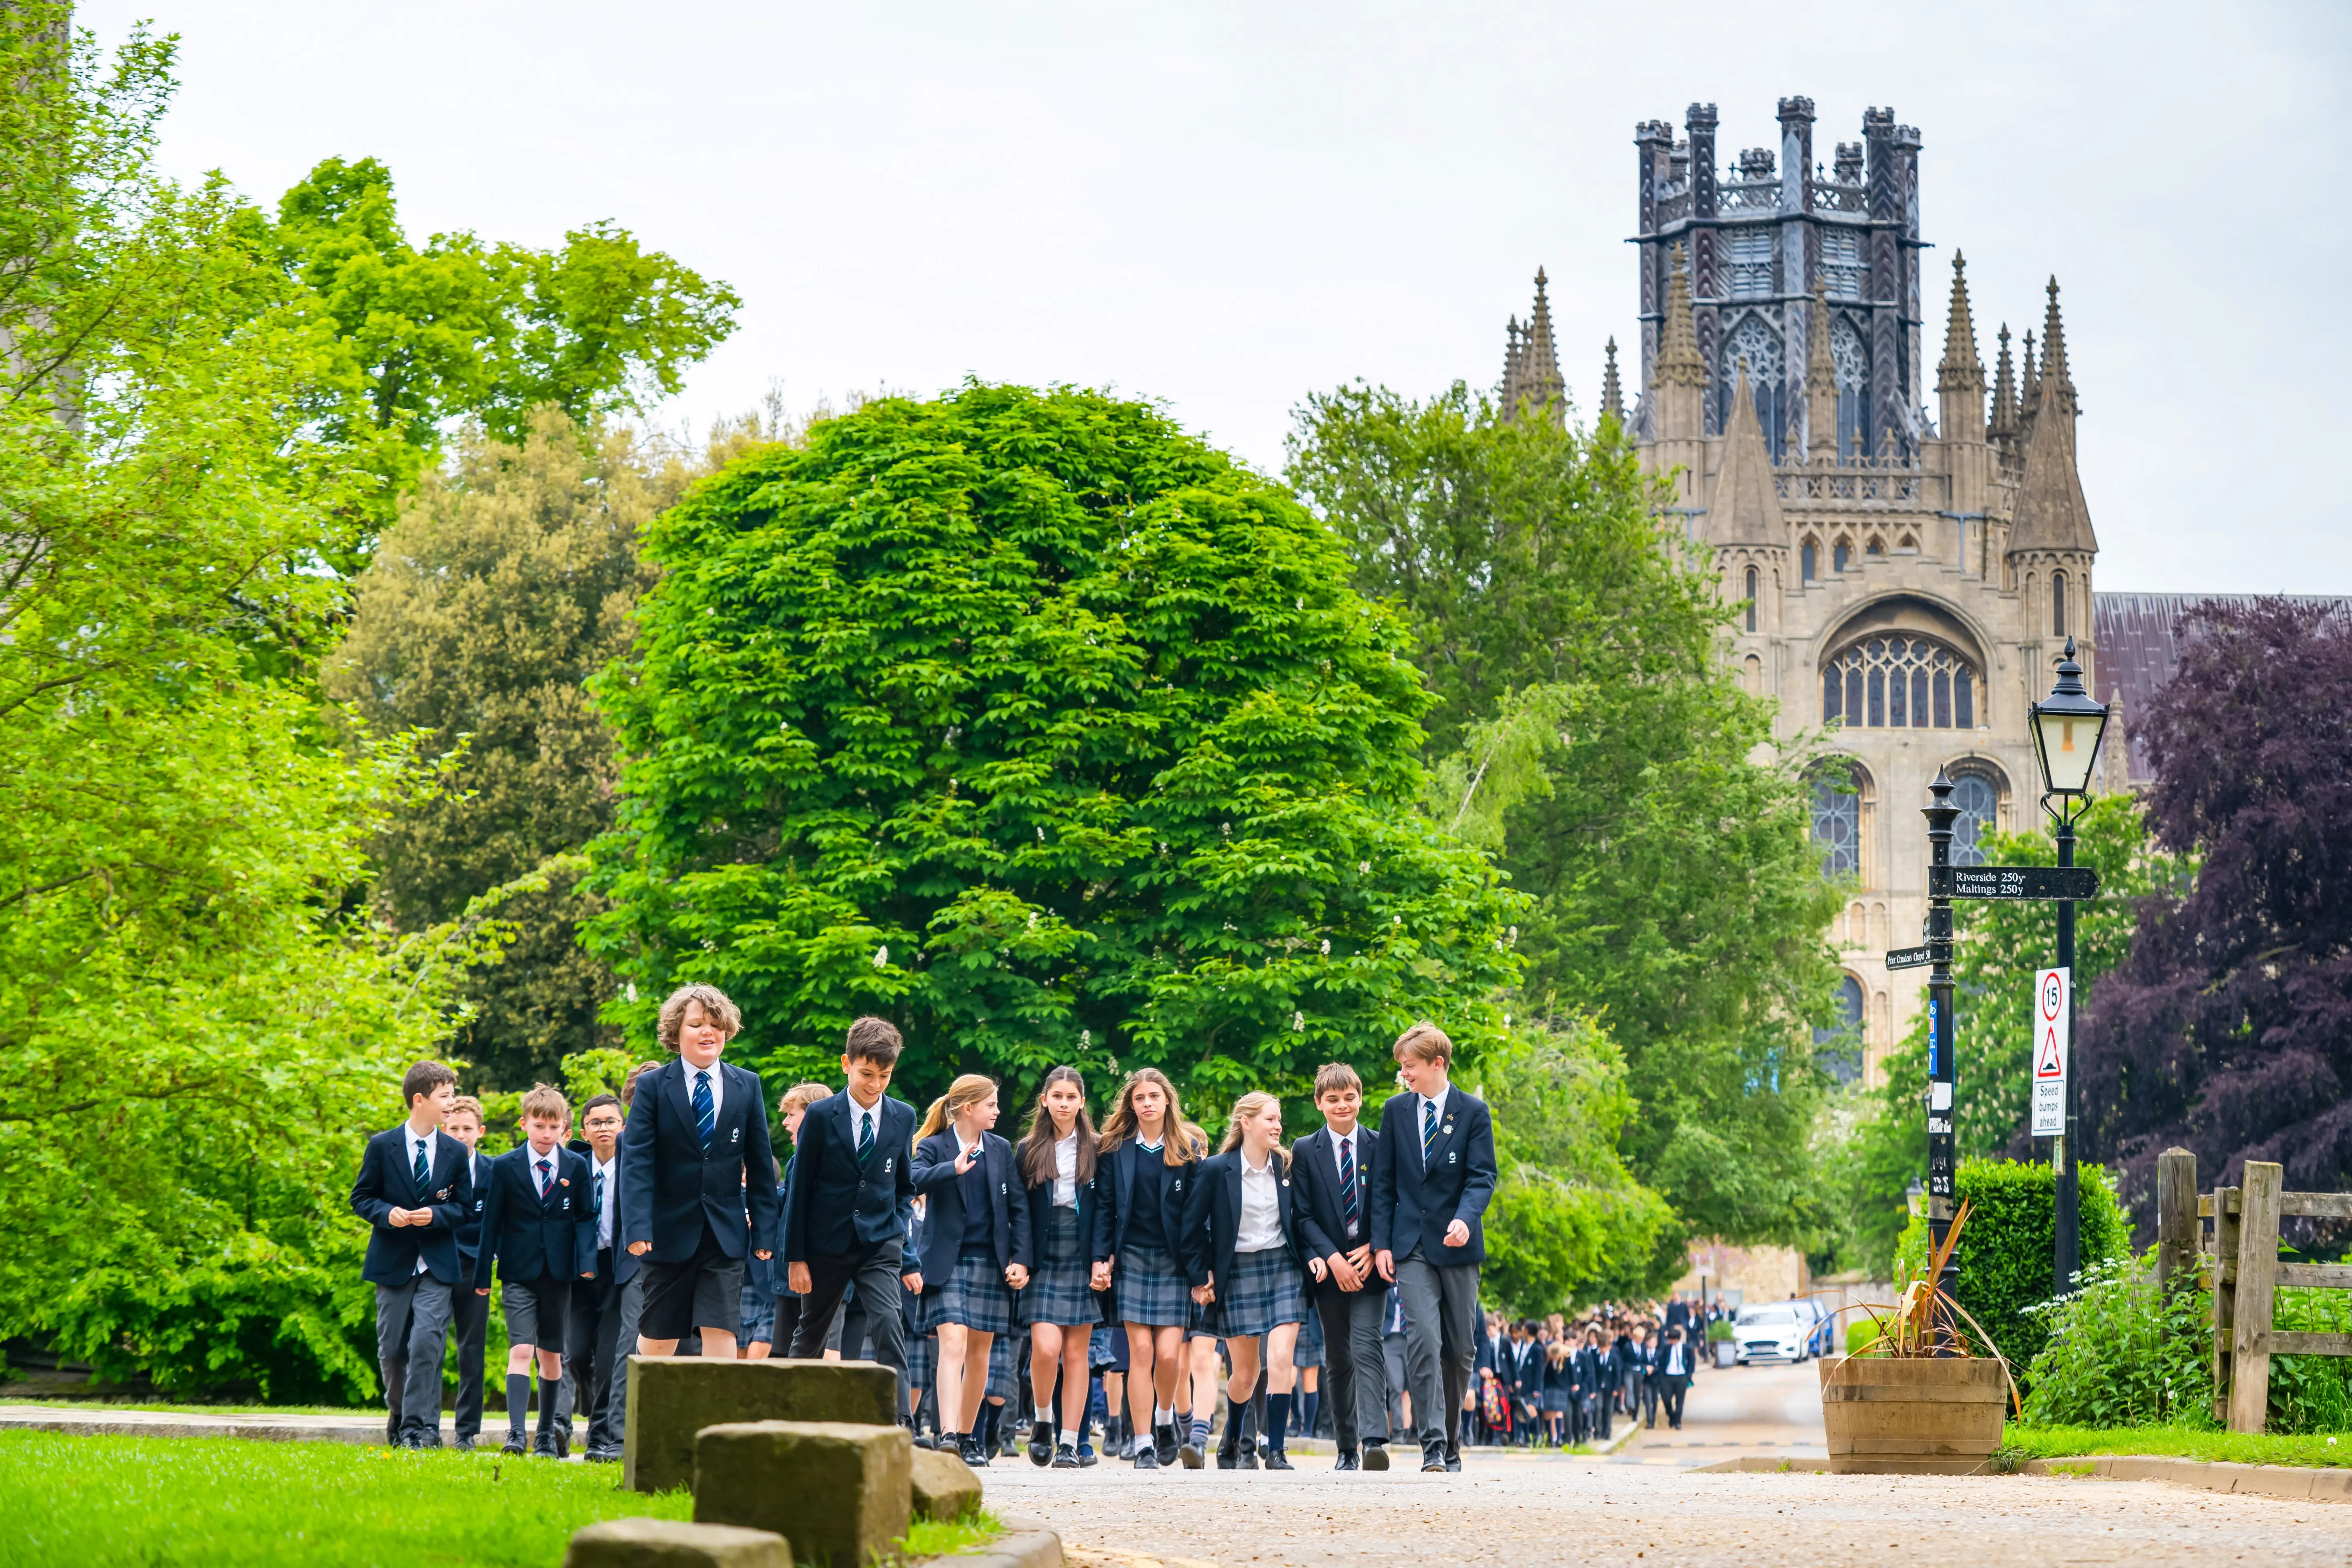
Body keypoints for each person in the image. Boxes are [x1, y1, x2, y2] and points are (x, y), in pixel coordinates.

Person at [621, 986, 781, 1365]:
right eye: (696, 1025)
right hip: (666, 1233)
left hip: (724, 1233)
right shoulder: (653, 1087)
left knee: (721, 1329)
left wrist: (765, 1231)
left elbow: (760, 1165)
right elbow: (637, 1163)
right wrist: (637, 1227)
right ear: (676, 1033)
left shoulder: (747, 1085)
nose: (708, 1031)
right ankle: (649, 1399)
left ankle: (717, 1404)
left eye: (715, 1024)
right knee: (659, 1338)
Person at [1372, 1019, 1496, 1474]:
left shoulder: (1473, 1112)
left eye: (1410, 1066)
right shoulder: (1396, 1111)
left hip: (1458, 1244)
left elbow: (1483, 1176)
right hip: (1411, 1247)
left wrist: (1466, 1218)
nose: (1404, 1074)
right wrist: (1381, 1244)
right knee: (1423, 1340)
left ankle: (1452, 1441)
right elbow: (1383, 1183)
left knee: (1460, 1349)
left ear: (1437, 1063)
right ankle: (1433, 1446)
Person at [783, 1017, 921, 1423]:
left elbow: (904, 1186)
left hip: (880, 1243)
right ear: (847, 1064)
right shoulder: (820, 1116)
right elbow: (800, 1190)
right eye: (866, 1074)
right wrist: (796, 1257)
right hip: (826, 1245)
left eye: (884, 1076)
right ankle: (789, 1414)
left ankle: (901, 1422)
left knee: (889, 1325)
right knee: (812, 1332)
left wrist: (896, 1232)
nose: (875, 1084)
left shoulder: (903, 1116)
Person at [1182, 1091, 1309, 1472]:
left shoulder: (1288, 1167)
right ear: (1247, 1123)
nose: (1278, 1126)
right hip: (1237, 1271)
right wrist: (1200, 1275)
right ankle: (1233, 1437)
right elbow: (1191, 1228)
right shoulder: (1216, 1170)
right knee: (1246, 1374)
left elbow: (1304, 1218)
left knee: (1281, 1357)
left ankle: (1277, 1450)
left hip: (1283, 1266)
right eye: (1270, 1119)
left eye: (1279, 1119)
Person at [911, 1073, 1031, 1467]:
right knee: (954, 1343)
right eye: (991, 1105)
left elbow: (1018, 1208)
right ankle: (947, 1435)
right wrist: (952, 1168)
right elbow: (911, 1180)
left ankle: (968, 1437)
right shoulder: (934, 1146)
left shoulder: (1000, 1148)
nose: (998, 1111)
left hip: (991, 1263)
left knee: (980, 1352)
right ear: (968, 1108)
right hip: (946, 1263)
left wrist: (1021, 1259)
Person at [351, 1061, 473, 1448]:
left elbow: (465, 1208)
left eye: (453, 1095)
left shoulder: (455, 1152)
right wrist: (386, 1214)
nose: (452, 1103)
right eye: (445, 1096)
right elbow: (361, 1198)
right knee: (391, 1351)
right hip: (392, 1264)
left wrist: (436, 1215)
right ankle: (400, 1415)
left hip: (437, 1266)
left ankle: (416, 1431)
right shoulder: (381, 1146)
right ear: (419, 1100)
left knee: (426, 1344)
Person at [474, 1084, 596, 1455]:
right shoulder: (504, 1167)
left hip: (558, 1275)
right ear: (524, 1124)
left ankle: (545, 1435)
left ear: (564, 1129)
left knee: (551, 1354)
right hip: (518, 1272)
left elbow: (585, 1217)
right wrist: (482, 1275)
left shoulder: (576, 1166)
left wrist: (587, 1263)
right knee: (522, 1348)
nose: (546, 1134)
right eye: (539, 1126)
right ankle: (515, 1433)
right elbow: (491, 1222)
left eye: (554, 1127)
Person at [1094, 1067, 1205, 1471]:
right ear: (1131, 1104)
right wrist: (1101, 1257)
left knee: (1169, 1355)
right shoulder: (1115, 1149)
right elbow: (1105, 1208)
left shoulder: (1188, 1148)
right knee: (1140, 1352)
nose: (1147, 1104)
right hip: (1132, 1259)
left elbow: (1198, 1217)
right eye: (1139, 1098)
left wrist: (1201, 1273)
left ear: (1167, 1101)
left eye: (1154, 1097)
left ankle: (1164, 1418)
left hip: (1176, 1262)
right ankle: (1143, 1444)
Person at [1288, 1061, 1389, 1472]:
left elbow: (1390, 1202)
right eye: (1333, 1099)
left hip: (1371, 1263)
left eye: (1350, 1097)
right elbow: (1303, 1214)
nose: (1342, 1105)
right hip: (1329, 1267)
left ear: (1360, 1098)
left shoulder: (1380, 1145)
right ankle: (1347, 1447)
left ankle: (1374, 1441)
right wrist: (1333, 1259)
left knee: (1368, 1346)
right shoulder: (1304, 1149)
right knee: (1338, 1356)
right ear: (1319, 1103)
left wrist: (1374, 1247)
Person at [1015, 1066, 1106, 1469]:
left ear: (1082, 1102)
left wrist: (1102, 1259)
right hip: (1043, 1254)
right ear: (1045, 1100)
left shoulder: (1100, 1148)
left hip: (1082, 1254)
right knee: (1046, 1348)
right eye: (1057, 1096)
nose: (1064, 1103)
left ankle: (1069, 1443)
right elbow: (1018, 1210)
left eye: (1071, 1097)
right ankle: (1043, 1419)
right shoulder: (1028, 1149)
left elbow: (1106, 1209)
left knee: (1075, 1353)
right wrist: (1020, 1258)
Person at [562, 1092, 632, 1461]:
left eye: (611, 1122)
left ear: (623, 1127)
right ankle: (591, 1408)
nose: (604, 1128)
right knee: (575, 1354)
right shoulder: (574, 1168)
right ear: (584, 1132)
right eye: (596, 1123)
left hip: (619, 1269)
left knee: (609, 1357)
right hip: (579, 1272)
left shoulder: (634, 1167)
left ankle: (600, 1434)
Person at [770, 1081, 833, 1358]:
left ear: (812, 1116)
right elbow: (788, 1204)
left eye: (791, 1115)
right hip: (794, 1277)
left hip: (812, 1273)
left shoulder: (823, 1159)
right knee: (787, 1353)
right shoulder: (797, 1159)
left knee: (814, 1352)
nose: (785, 1123)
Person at [444, 1095, 491, 1451]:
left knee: (472, 1348)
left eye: (467, 1129)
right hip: (439, 1261)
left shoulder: (494, 1170)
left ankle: (467, 1431)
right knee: (426, 1343)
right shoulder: (437, 1167)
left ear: (480, 1132)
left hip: (475, 1266)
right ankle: (421, 1424)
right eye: (454, 1129)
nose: (461, 1135)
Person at [1657, 1325, 1695, 1429]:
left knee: (1680, 1401)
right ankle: (1671, 1415)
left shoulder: (1687, 1348)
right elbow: (1661, 1362)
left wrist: (1689, 1376)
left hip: (1681, 1376)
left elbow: (1691, 1363)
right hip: (1668, 1377)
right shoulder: (1666, 1349)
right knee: (1666, 1398)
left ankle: (1678, 1421)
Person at [1540, 1334, 1574, 1446]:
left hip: (1561, 1388)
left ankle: (1559, 1438)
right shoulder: (1548, 1361)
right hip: (1549, 1388)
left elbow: (1571, 1373)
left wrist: (1573, 1385)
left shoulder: (1566, 1359)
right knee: (1548, 1412)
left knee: (1559, 1412)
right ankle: (1550, 1438)